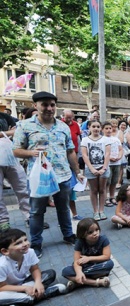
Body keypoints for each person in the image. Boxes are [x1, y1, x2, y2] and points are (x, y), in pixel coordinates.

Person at [13, 91, 83, 258]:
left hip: (63, 176)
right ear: (36, 106)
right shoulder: (25, 126)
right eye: (45, 104)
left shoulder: (63, 126)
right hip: (39, 178)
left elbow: (70, 151)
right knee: (36, 212)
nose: (49, 108)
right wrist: (31, 153)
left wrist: (77, 172)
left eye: (52, 105)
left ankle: (68, 235)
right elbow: (16, 150)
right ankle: (36, 244)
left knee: (64, 208)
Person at [0, 229, 67, 306]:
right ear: (5, 251)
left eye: (25, 240)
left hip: (27, 282)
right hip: (11, 289)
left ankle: (19, 304)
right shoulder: (2, 265)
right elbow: (2, 287)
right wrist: (24, 288)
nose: (25, 244)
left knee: (50, 274)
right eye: (18, 243)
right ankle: (45, 293)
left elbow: (35, 269)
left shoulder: (30, 252)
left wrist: (38, 283)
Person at [62, 219, 114, 290]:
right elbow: (77, 261)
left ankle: (79, 282)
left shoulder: (103, 240)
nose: (95, 233)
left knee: (110, 264)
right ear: (82, 235)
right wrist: (79, 273)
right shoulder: (79, 242)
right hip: (86, 267)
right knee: (65, 271)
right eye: (90, 232)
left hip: (98, 265)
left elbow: (107, 256)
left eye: (97, 229)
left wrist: (89, 258)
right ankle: (97, 282)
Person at [0, 111, 30, 230]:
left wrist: (3, 133)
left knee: (23, 187)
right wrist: (7, 133)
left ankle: (29, 216)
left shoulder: (4, 116)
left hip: (11, 158)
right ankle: (3, 222)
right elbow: (12, 132)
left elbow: (17, 130)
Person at [81, 121, 111, 221]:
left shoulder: (106, 139)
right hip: (90, 169)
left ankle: (101, 211)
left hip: (103, 168)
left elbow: (107, 154)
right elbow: (84, 155)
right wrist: (92, 168)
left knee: (102, 190)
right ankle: (95, 211)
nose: (96, 128)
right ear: (89, 127)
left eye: (98, 126)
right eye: (93, 126)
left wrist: (104, 168)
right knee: (93, 190)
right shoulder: (85, 140)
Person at [61, 109, 84, 221]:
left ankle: (74, 214)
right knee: (61, 193)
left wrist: (78, 161)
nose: (69, 120)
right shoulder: (59, 125)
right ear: (63, 116)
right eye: (67, 117)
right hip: (60, 160)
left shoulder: (75, 125)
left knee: (71, 190)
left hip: (73, 156)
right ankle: (63, 217)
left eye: (71, 117)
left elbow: (78, 141)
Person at [103, 121, 123, 207]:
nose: (108, 130)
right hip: (108, 164)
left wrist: (119, 156)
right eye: (106, 128)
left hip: (117, 163)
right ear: (103, 129)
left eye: (110, 128)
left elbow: (121, 149)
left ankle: (112, 196)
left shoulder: (116, 139)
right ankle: (105, 198)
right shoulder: (102, 139)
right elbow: (101, 152)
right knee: (107, 182)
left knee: (114, 181)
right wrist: (109, 158)